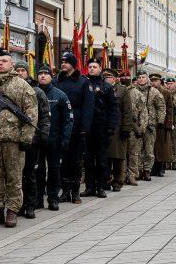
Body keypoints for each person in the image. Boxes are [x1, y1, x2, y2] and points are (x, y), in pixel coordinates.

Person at [0, 50, 37, 227]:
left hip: (13, 139)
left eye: (4, 61)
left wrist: (26, 138)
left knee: (14, 177)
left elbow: (31, 113)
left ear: (11, 65)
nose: (0, 64)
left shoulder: (21, 86)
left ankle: (12, 210)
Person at [54, 52, 93, 204]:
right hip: (62, 127)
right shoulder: (58, 80)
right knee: (63, 160)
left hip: (77, 127)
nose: (63, 64)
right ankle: (65, 191)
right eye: (62, 61)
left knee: (76, 160)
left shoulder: (83, 82)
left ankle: (75, 192)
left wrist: (84, 127)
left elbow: (88, 106)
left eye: (66, 62)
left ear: (73, 64)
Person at [16, 61, 50, 215]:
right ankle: (17, 205)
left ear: (28, 72)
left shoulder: (37, 92)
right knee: (15, 175)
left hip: (32, 139)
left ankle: (31, 205)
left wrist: (43, 135)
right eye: (17, 70)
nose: (20, 73)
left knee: (30, 174)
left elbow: (44, 116)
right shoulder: (9, 90)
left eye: (23, 70)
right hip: (14, 139)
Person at [36, 64, 72, 210]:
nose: (43, 76)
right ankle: (37, 199)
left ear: (51, 76)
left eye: (46, 73)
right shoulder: (32, 93)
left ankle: (53, 198)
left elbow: (68, 119)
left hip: (54, 140)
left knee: (54, 170)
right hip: (37, 140)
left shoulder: (60, 95)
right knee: (37, 171)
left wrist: (65, 139)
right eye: (40, 73)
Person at [81, 59, 118, 197]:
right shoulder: (84, 84)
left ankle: (101, 186)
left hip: (102, 129)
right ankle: (90, 186)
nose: (91, 69)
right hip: (87, 128)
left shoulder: (107, 87)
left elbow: (113, 109)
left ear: (100, 69)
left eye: (94, 67)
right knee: (88, 160)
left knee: (102, 160)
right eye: (89, 66)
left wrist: (111, 127)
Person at [132, 71, 165, 180]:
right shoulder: (133, 91)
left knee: (149, 149)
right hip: (137, 124)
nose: (141, 79)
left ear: (147, 79)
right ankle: (139, 170)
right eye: (139, 77)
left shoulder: (154, 92)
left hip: (150, 124)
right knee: (137, 148)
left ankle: (147, 170)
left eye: (143, 77)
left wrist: (160, 121)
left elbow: (161, 107)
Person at [106, 69, 132, 192]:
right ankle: (105, 180)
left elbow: (127, 111)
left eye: (109, 77)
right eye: (104, 76)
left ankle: (118, 181)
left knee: (118, 157)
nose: (107, 79)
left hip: (118, 128)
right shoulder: (101, 89)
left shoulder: (122, 90)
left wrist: (126, 128)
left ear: (115, 78)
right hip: (104, 127)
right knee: (104, 157)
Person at [150, 74, 174, 177]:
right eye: (152, 80)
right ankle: (152, 167)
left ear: (160, 81)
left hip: (161, 123)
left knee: (160, 146)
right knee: (151, 146)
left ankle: (160, 167)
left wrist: (168, 124)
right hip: (150, 122)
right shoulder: (148, 92)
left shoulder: (166, 93)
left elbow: (169, 110)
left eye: (156, 80)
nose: (154, 82)